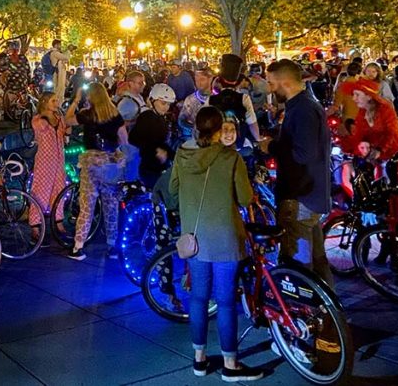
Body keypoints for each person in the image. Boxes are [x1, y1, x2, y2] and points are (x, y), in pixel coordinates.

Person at [171, 108, 261, 380]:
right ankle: (230, 364)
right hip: (224, 239)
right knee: (224, 301)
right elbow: (245, 199)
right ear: (219, 129)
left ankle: (198, 359)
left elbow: (174, 192)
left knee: (198, 298)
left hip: (195, 239)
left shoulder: (182, 154)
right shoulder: (230, 156)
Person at [265, 59, 334, 287]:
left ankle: (310, 317)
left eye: (271, 83)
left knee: (300, 266)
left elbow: (303, 154)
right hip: (309, 194)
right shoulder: (304, 106)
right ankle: (330, 318)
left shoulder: (303, 109)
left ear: (284, 82)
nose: (269, 89)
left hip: (301, 197)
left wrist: (271, 147)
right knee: (317, 262)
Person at [65, 82, 129, 261]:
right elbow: (124, 139)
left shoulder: (88, 114)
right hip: (110, 164)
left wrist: (76, 100)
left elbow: (67, 120)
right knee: (111, 205)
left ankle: (78, 247)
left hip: (92, 163)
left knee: (87, 205)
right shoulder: (115, 115)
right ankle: (112, 246)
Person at [342, 79, 398, 184]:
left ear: (369, 96)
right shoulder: (362, 112)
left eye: (357, 94)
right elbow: (359, 135)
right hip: (376, 162)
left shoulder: (385, 110)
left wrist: (380, 149)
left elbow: (392, 133)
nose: (354, 98)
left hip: (395, 160)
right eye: (353, 95)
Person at [29, 92, 68, 237]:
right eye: (53, 100)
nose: (56, 103)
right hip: (45, 160)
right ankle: (35, 225)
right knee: (41, 190)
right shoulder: (38, 119)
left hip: (59, 159)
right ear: (45, 102)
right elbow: (41, 128)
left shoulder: (59, 117)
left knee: (59, 189)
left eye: (56, 100)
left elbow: (65, 132)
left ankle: (58, 220)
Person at [209, 54, 262, 153]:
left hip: (215, 145)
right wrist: (259, 139)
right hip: (238, 145)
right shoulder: (244, 98)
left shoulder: (211, 99)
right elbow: (252, 122)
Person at [129, 84, 177, 188]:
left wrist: (173, 155)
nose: (166, 107)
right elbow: (134, 138)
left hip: (158, 166)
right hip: (149, 168)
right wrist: (156, 150)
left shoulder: (159, 118)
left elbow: (160, 143)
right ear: (152, 100)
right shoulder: (147, 117)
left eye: (168, 104)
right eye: (163, 103)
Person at [178, 66, 213, 140]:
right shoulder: (190, 99)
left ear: (210, 79)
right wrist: (194, 128)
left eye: (202, 79)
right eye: (196, 80)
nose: (198, 83)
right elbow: (181, 120)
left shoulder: (217, 99)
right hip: (195, 140)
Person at [329, 60, 363, 132]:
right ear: (359, 73)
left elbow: (335, 106)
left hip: (347, 122)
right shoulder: (364, 87)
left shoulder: (342, 87)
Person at [0, 40, 31, 110]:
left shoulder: (21, 58)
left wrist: (30, 82)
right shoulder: (7, 59)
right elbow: (28, 70)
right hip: (16, 86)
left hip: (17, 86)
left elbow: (28, 70)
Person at [49, 39, 70, 105]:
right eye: (59, 44)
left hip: (59, 74)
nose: (60, 46)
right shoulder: (55, 53)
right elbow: (66, 58)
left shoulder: (57, 53)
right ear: (56, 45)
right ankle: (57, 106)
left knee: (60, 91)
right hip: (58, 74)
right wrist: (69, 50)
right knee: (59, 91)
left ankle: (58, 106)